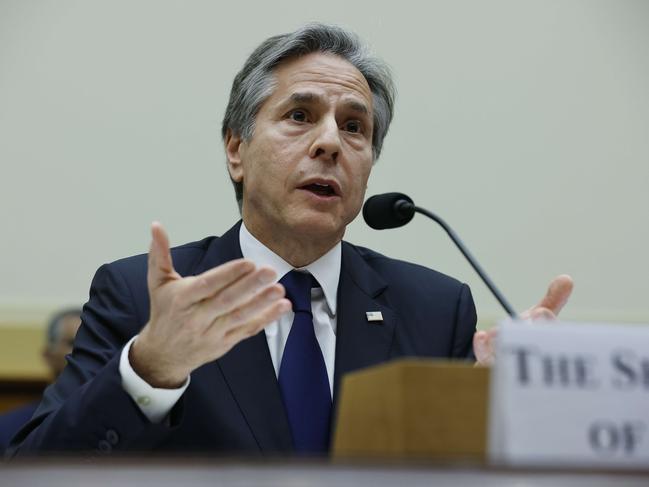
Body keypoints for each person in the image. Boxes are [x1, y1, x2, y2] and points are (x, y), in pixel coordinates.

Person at [8, 23, 572, 457]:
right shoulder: (143, 296)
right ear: (236, 150)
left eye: (354, 127)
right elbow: (34, 468)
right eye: (300, 115)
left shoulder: (433, 309)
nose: (331, 142)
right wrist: (150, 370)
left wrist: (501, 410)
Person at [0, 308, 81, 456]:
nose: (85, 352)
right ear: (48, 354)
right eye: (73, 343)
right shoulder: (7, 430)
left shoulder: (127, 426)